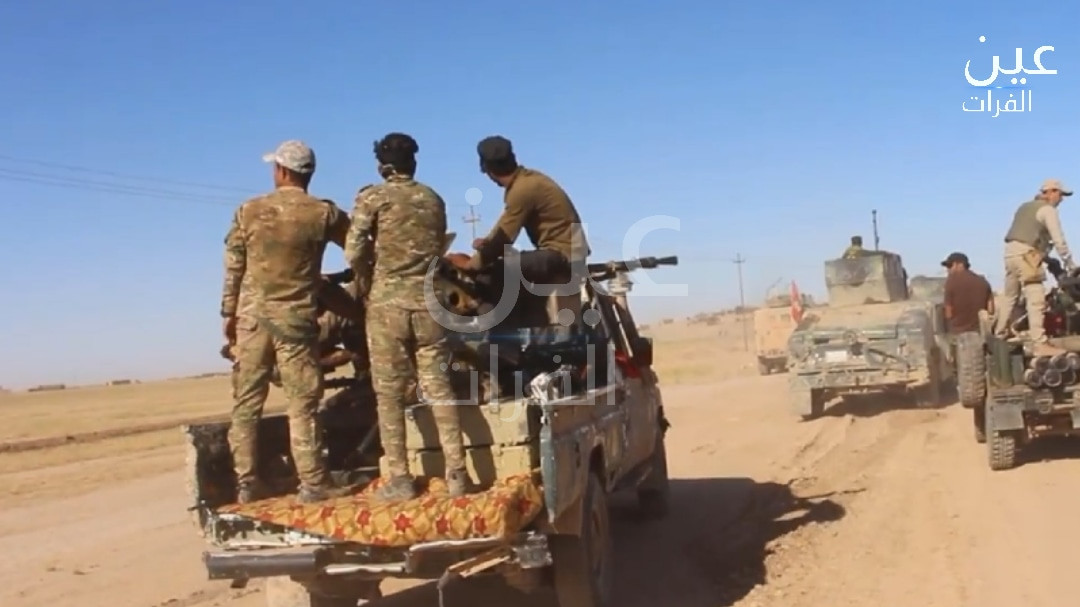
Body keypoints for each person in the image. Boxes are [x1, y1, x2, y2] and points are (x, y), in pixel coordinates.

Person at [222, 139, 352, 504]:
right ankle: (313, 483)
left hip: (251, 320)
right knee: (302, 403)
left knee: (247, 401)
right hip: (295, 321)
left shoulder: (248, 210)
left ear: (280, 170)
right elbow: (358, 248)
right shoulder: (324, 213)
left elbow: (233, 267)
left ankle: (247, 482)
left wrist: (228, 313)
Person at [344, 132, 468, 502]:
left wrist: (368, 279)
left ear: (382, 166)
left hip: (389, 306)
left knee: (390, 394)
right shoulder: (433, 199)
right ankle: (457, 473)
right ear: (413, 162)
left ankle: (400, 479)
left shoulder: (373, 198)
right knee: (439, 388)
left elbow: (353, 252)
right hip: (430, 303)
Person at [470, 135, 590, 287]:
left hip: (564, 254)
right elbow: (504, 227)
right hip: (568, 252)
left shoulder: (522, 190)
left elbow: (504, 238)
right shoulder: (528, 181)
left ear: (488, 170)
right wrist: (488, 242)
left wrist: (470, 266)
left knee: (492, 274)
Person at [992, 179, 1075, 356]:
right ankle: (1040, 343)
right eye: (1061, 195)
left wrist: (1048, 259)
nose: (1061, 199)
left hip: (1011, 254)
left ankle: (999, 334)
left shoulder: (1025, 207)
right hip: (1027, 255)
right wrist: (1070, 264)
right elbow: (1059, 240)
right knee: (1036, 296)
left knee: (1010, 296)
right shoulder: (1048, 210)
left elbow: (1028, 234)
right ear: (1052, 192)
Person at [942, 252, 994, 334]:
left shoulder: (951, 281)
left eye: (949, 266)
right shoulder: (983, 282)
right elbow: (991, 310)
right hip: (979, 332)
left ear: (960, 264)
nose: (948, 269)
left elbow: (948, 312)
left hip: (957, 333)